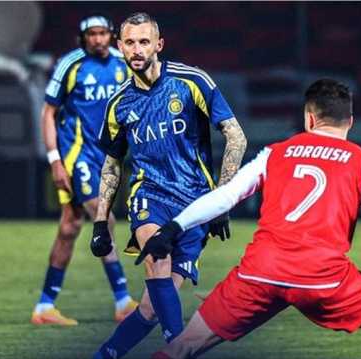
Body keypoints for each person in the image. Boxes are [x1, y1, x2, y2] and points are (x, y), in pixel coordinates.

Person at [139, 79, 361, 359]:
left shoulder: (275, 152)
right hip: (322, 280)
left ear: (309, 118)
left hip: (259, 275)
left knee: (184, 346)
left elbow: (226, 196)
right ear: (350, 122)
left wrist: (173, 227)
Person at [90, 12, 247, 359]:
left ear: (159, 45)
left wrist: (222, 200)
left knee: (150, 307)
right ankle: (178, 351)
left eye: (144, 42)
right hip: (150, 195)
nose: (137, 49)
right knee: (156, 255)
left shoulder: (192, 82)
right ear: (119, 47)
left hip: (196, 203)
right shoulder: (119, 104)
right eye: (129, 42)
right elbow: (112, 163)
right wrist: (102, 220)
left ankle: (105, 354)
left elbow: (236, 137)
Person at [31, 15, 138, 326]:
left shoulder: (124, 63)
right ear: (83, 38)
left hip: (106, 157)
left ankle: (44, 307)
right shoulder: (71, 65)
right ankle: (123, 302)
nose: (98, 39)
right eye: (92, 34)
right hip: (77, 156)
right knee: (104, 218)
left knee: (70, 226)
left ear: (111, 35)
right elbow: (48, 112)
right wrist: (54, 159)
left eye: (103, 33)